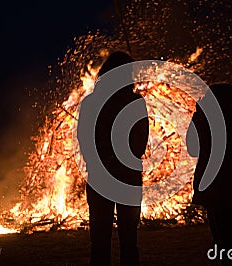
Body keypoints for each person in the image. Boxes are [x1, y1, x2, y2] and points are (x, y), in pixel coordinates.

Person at [77, 51, 149, 266]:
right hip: (127, 177)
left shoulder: (91, 102)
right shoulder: (136, 101)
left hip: (100, 177)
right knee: (129, 239)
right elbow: (140, 142)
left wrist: (99, 162)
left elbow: (84, 140)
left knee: (100, 240)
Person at [186, 84, 232, 265]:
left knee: (225, 242)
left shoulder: (215, 124)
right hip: (230, 187)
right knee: (228, 241)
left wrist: (198, 116)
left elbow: (192, 149)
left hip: (217, 188)